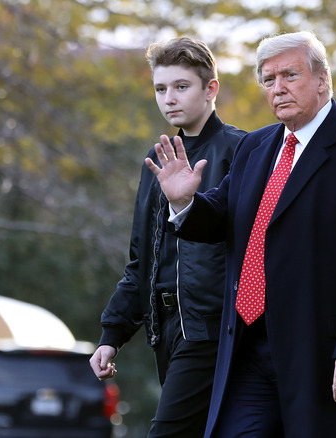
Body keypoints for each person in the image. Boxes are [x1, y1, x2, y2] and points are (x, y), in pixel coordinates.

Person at [145, 31, 336, 438]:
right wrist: (185, 203)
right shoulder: (255, 147)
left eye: (290, 75)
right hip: (249, 349)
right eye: (268, 79)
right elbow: (221, 217)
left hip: (323, 354)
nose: (278, 88)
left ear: (322, 79)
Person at [89, 36, 246, 437]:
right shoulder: (154, 162)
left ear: (211, 88)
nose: (169, 98)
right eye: (161, 88)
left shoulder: (241, 150)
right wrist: (112, 334)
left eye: (181, 86)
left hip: (213, 327)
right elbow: (141, 260)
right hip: (166, 329)